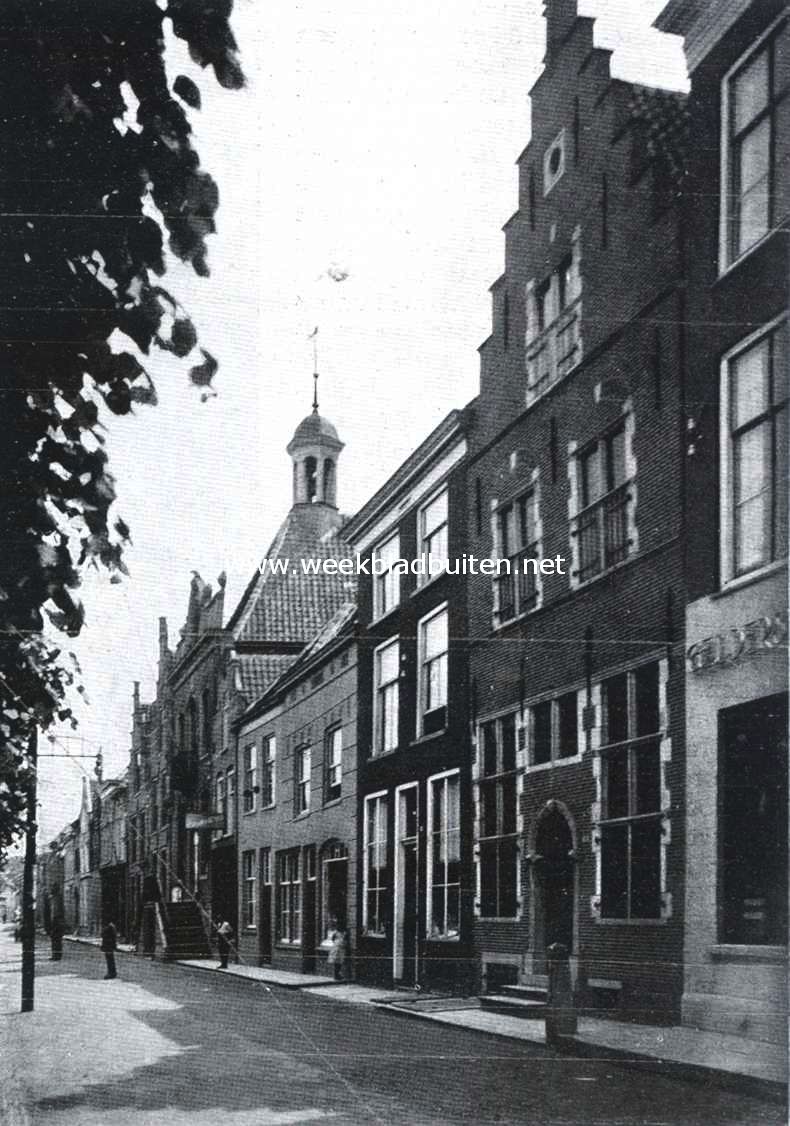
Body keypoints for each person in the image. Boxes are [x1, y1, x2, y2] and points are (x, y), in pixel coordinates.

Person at [49, 884, 65, 961]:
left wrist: (59, 921)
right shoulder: (53, 898)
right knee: (55, 939)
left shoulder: (58, 898)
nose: (51, 889)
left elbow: (58, 911)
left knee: (56, 939)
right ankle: (55, 955)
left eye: (52, 888)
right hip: (54, 921)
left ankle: (57, 955)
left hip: (57, 921)